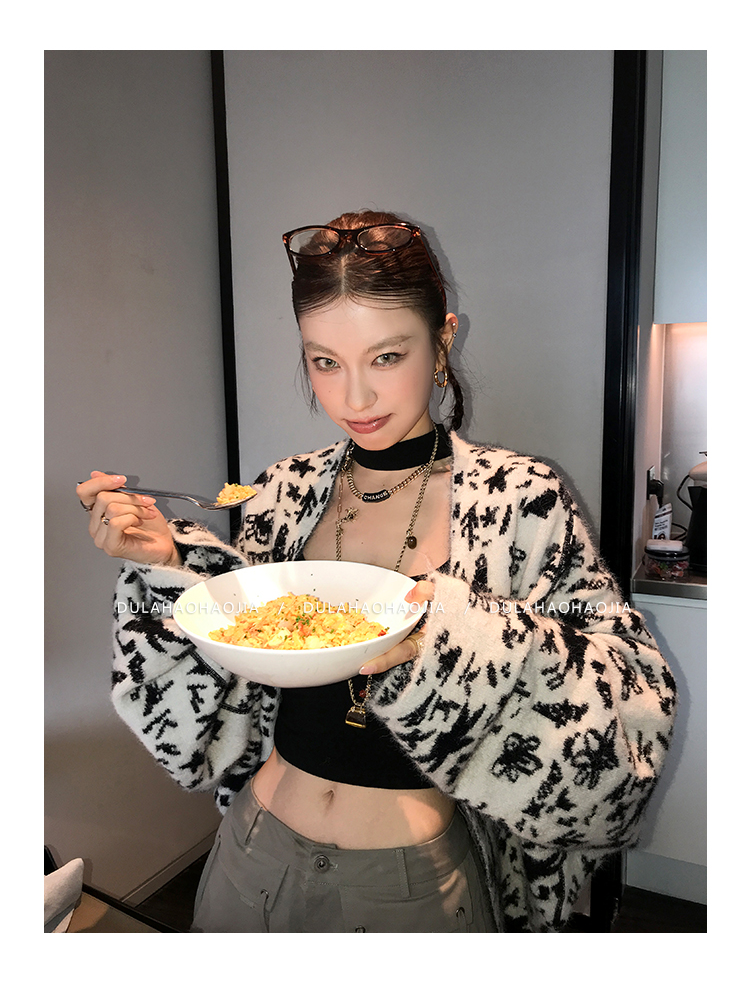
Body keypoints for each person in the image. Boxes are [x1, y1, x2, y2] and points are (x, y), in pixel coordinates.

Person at [77, 209, 677, 933]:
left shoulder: (520, 500)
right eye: (325, 362)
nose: (353, 398)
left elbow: (631, 716)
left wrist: (450, 642)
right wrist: (169, 563)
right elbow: (221, 683)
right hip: (252, 854)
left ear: (443, 339)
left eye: (386, 357)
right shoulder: (283, 489)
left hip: (414, 883)